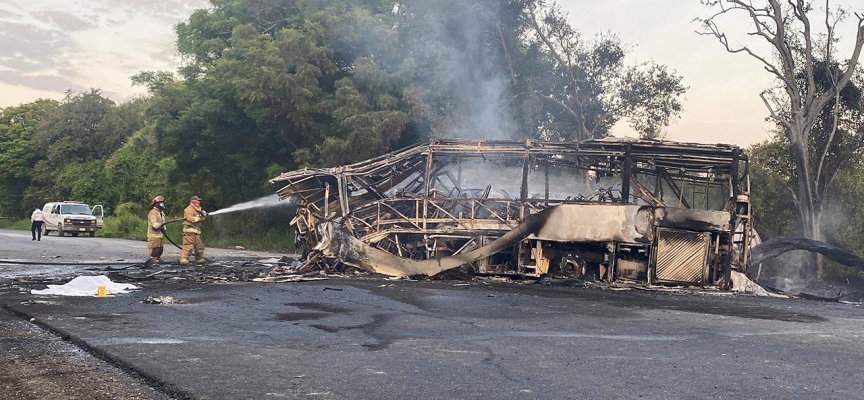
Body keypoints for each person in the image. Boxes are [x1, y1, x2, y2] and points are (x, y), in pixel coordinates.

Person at [180, 195, 207, 265]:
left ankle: (199, 259)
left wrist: (203, 216)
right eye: (198, 200)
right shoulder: (189, 209)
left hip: (196, 231)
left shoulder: (197, 209)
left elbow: (199, 217)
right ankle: (184, 259)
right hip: (189, 231)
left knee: (199, 246)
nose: (199, 202)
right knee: (188, 246)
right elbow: (190, 218)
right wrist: (199, 218)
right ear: (194, 201)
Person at [146, 196, 167, 267]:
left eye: (162, 203)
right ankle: (152, 260)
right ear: (156, 204)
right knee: (154, 248)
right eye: (160, 203)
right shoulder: (153, 212)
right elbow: (154, 224)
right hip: (154, 235)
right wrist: (160, 226)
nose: (162, 204)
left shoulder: (161, 212)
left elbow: (163, 222)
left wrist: (164, 229)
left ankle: (157, 258)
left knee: (160, 248)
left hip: (160, 235)